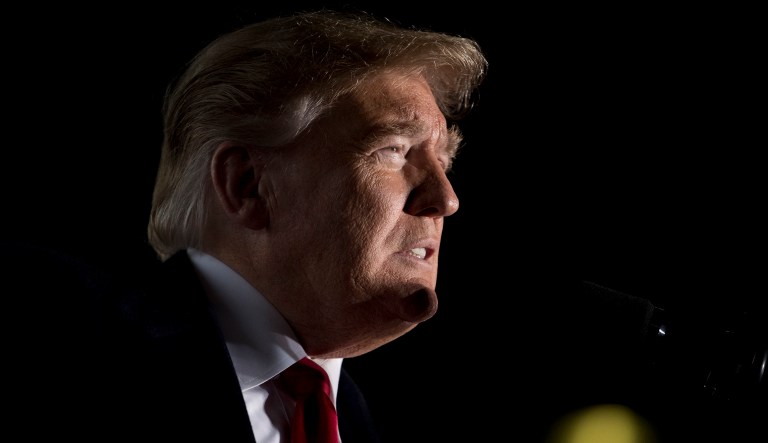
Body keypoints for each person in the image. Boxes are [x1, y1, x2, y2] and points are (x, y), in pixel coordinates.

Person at [4, 8, 487, 443]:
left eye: (443, 161)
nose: (445, 199)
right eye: (394, 150)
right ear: (249, 184)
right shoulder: (49, 326)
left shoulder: (359, 419)